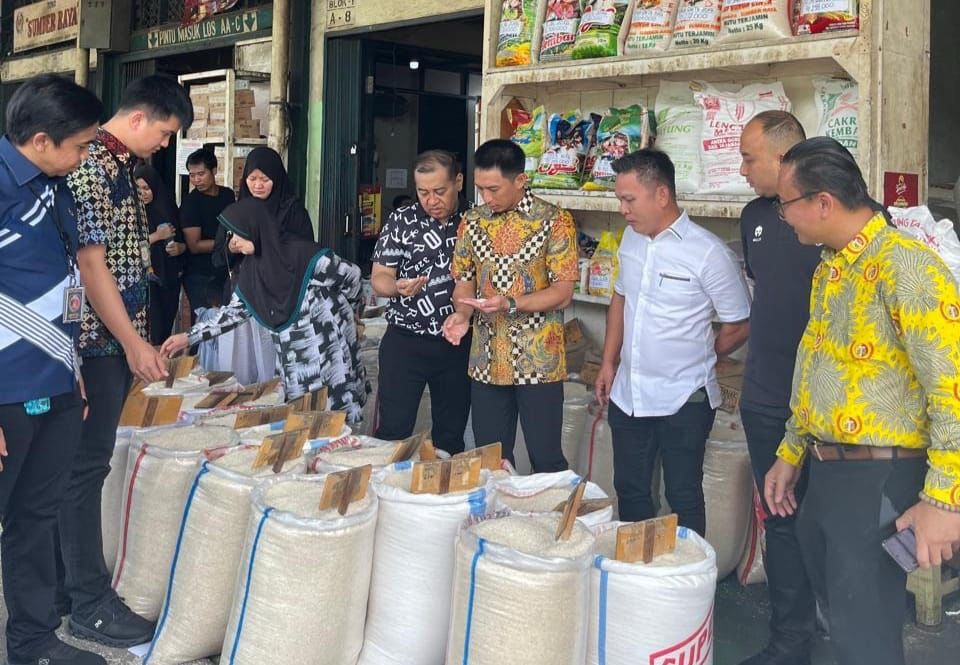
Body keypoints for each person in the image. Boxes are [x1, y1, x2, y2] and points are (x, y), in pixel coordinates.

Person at [764, 137, 960, 665]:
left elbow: (952, 386)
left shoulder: (906, 266)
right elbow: (816, 363)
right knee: (843, 626)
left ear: (823, 202)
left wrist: (944, 499)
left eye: (786, 205)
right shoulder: (831, 267)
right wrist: (792, 448)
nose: (784, 218)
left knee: (865, 638)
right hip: (827, 474)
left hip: (880, 482)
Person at [62, 74, 192, 647]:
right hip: (94, 345)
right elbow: (93, 271)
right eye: (165, 134)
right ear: (138, 119)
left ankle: (71, 588)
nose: (166, 146)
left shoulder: (122, 169)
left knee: (84, 469)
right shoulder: (90, 165)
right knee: (82, 470)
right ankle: (86, 601)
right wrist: (133, 344)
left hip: (116, 342)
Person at [0, 75, 106, 665]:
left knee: (35, 521)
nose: (87, 154)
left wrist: (72, 368)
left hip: (58, 386)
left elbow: (60, 284)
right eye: (83, 145)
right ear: (42, 139)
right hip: (5, 394)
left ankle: (33, 644)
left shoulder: (54, 185)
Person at [594, 150, 751, 536]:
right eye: (620, 200)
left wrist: (702, 356)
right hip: (628, 394)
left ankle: (686, 583)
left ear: (661, 195)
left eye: (629, 200)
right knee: (630, 489)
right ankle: (637, 576)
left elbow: (739, 322)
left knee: (681, 495)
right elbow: (620, 298)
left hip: (684, 398)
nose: (623, 209)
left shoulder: (708, 252)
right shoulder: (630, 240)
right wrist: (608, 362)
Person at [161, 163, 367, 422]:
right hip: (294, 358)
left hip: (330, 353)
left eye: (238, 235)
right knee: (302, 419)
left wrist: (349, 310)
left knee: (335, 417)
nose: (233, 242)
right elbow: (232, 314)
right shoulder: (252, 272)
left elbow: (353, 277)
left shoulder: (305, 256)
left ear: (256, 229)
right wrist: (188, 338)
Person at [736, 112, 820, 665]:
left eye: (749, 158)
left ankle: (849, 630)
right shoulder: (752, 217)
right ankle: (790, 643)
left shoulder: (833, 219)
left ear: (785, 157)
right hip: (767, 398)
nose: (741, 169)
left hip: (834, 408)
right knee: (781, 523)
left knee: (836, 525)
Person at [443, 139, 579, 471]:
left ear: (520, 180)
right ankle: (496, 523)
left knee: (546, 458)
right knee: (490, 461)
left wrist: (511, 303)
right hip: (486, 359)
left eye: (493, 189)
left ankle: (550, 521)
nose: (486, 198)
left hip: (539, 360)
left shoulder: (554, 220)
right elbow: (463, 279)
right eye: (481, 189)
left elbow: (563, 292)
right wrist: (462, 314)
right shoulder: (472, 222)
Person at [371, 150, 471, 454]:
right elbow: (379, 276)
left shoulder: (475, 220)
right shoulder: (402, 220)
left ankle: (444, 498)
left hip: (455, 344)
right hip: (405, 342)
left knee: (450, 435)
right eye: (423, 192)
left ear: (458, 182)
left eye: (439, 191)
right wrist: (397, 288)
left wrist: (463, 313)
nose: (431, 200)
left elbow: (475, 281)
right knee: (393, 431)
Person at [134, 164, 186, 345]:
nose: (143, 193)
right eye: (138, 188)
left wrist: (180, 248)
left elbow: (182, 239)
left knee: (164, 326)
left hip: (169, 278)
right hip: (144, 278)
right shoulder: (131, 212)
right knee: (151, 328)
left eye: (147, 188)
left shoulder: (167, 207)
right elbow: (127, 244)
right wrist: (157, 236)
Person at [180, 148, 235, 320]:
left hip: (225, 269)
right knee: (204, 322)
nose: (196, 180)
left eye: (201, 174)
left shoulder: (227, 195)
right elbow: (195, 246)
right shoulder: (191, 203)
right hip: (199, 273)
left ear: (214, 170)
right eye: (192, 175)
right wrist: (226, 244)